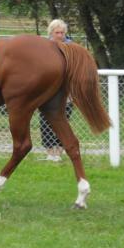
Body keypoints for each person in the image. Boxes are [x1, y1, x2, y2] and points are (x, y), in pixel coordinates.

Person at [39, 19, 73, 161]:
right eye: (57, 32)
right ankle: (49, 152)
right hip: (47, 89)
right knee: (45, 120)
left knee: (63, 119)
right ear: (51, 33)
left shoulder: (71, 47)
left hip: (65, 90)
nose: (60, 35)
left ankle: (59, 151)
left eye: (62, 32)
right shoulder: (43, 46)